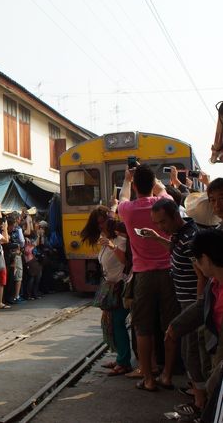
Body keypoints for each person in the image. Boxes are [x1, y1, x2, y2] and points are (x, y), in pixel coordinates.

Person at [117, 164, 180, 392]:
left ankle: (148, 379)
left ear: (135, 186)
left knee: (143, 327)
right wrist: (157, 185)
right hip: (168, 272)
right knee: (170, 324)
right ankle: (167, 375)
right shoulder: (164, 204)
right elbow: (164, 192)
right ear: (153, 184)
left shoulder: (128, 210)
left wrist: (126, 180)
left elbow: (122, 197)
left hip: (143, 275)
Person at [141, 198, 205, 414]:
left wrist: (196, 309)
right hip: (185, 299)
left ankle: (200, 404)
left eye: (162, 222)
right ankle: (197, 391)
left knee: (191, 350)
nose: (161, 227)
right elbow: (174, 248)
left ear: (175, 216)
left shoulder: (191, 238)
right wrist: (157, 237)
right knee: (190, 349)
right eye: (157, 223)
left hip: (192, 301)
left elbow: (201, 275)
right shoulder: (180, 234)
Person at [167, 229, 223, 423]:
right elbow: (202, 306)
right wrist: (176, 326)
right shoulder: (215, 283)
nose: (197, 266)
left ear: (206, 259)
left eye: (197, 261)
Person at [80, 206, 131, 376]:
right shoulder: (103, 241)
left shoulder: (121, 241)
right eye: (98, 224)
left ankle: (124, 362)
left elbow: (125, 261)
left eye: (103, 222)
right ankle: (120, 359)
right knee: (110, 325)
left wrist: (111, 245)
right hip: (109, 288)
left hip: (121, 288)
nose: (101, 226)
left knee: (118, 324)